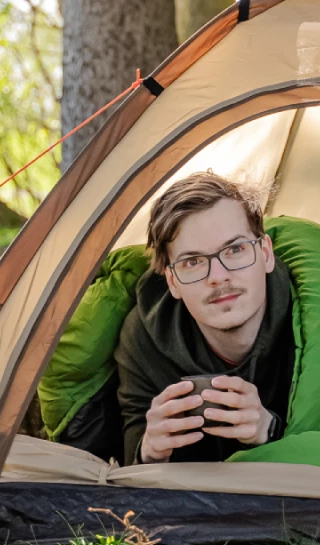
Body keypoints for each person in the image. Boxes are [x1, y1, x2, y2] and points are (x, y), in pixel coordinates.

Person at [114, 173, 295, 466]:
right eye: (193, 262)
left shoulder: (310, 320)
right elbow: (133, 466)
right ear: (172, 281)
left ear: (265, 253)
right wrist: (149, 452)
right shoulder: (142, 339)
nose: (218, 277)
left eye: (235, 249)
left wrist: (269, 429)